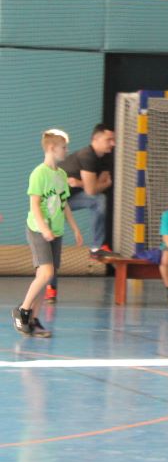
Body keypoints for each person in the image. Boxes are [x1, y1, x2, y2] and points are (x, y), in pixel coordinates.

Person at [14, 129, 82, 338]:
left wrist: (75, 228)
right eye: (64, 147)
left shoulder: (61, 175)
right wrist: (44, 228)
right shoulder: (39, 173)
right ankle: (23, 311)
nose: (66, 151)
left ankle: (34, 320)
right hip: (38, 230)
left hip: (56, 232)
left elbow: (64, 204)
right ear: (52, 148)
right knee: (46, 273)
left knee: (46, 277)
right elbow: (34, 205)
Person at [48, 123, 116, 304]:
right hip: (55, 204)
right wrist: (95, 185)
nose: (113, 143)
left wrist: (80, 183)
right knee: (53, 248)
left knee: (99, 200)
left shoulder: (106, 157)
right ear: (95, 139)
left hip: (72, 199)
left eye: (114, 140)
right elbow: (95, 187)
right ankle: (50, 288)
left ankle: (96, 248)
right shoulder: (87, 155)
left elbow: (96, 187)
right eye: (109, 139)